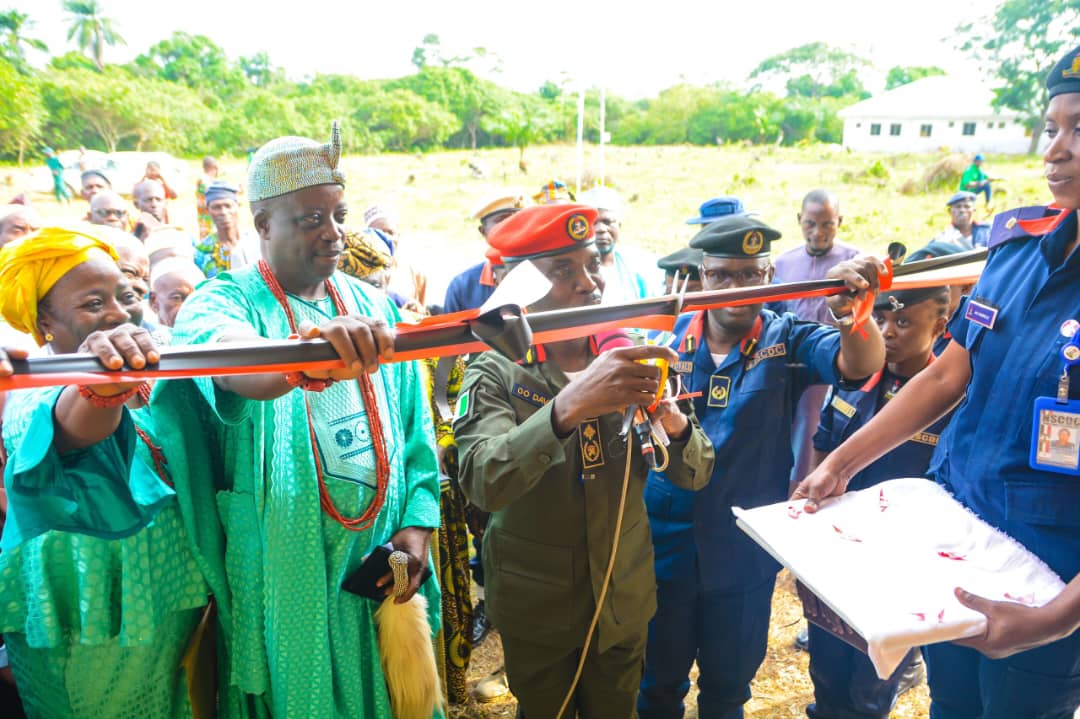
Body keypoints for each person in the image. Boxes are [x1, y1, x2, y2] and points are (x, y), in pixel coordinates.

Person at [794, 45, 1080, 718]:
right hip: (953, 546)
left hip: (1041, 585)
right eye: (1051, 128)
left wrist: (1055, 620)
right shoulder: (1015, 251)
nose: (1055, 151)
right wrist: (840, 460)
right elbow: (951, 371)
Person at [153, 122, 442, 718]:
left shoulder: (370, 304)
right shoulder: (222, 300)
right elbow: (233, 363)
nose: (333, 234)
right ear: (262, 225)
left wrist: (417, 525)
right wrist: (303, 355)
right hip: (288, 568)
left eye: (338, 215)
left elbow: (415, 432)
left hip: (379, 558)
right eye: (311, 219)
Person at [454, 203, 716, 718]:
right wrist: (568, 406)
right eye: (564, 271)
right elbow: (484, 482)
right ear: (520, 285)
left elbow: (697, 471)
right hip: (541, 607)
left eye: (593, 263)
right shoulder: (496, 370)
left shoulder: (631, 355)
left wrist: (673, 423)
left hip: (623, 596)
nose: (589, 283)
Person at [637, 214, 886, 719]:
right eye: (724, 276)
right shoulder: (662, 343)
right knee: (657, 688)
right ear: (703, 277)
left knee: (728, 692)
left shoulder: (788, 337)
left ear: (769, 277)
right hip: (666, 548)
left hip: (742, 555)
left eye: (750, 275)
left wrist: (855, 316)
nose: (736, 288)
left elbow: (859, 364)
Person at [0, 226, 208, 718]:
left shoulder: (157, 359)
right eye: (93, 304)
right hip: (81, 604)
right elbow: (74, 430)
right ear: (44, 321)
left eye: (128, 294)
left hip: (168, 592)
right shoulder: (31, 390)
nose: (118, 312)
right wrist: (103, 387)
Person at [805, 285, 954, 719]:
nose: (888, 332)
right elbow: (820, 449)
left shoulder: (952, 399)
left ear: (941, 327)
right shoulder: (853, 384)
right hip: (837, 558)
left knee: (870, 690)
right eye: (881, 320)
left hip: (901, 567)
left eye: (904, 322)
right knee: (827, 673)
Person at [773, 190, 861, 513]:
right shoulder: (782, 263)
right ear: (799, 221)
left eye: (828, 224)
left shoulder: (853, 263)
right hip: (790, 370)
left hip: (837, 370)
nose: (818, 232)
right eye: (810, 223)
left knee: (822, 436)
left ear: (840, 222)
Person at [442, 191, 525, 314]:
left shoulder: (546, 274)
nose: (511, 226)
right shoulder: (462, 287)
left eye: (518, 219)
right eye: (502, 220)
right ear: (483, 231)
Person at [578, 186, 649, 304]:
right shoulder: (573, 273)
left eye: (607, 222)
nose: (600, 229)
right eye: (593, 223)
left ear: (619, 226)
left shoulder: (638, 267)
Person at [363, 203, 428, 310]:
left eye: (390, 232)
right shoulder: (359, 272)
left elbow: (423, 314)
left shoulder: (416, 274)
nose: (386, 238)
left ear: (398, 235)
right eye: (378, 232)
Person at [192, 181, 260, 279]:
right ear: (208, 211)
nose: (223, 212)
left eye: (228, 206)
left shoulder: (256, 241)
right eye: (216, 207)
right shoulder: (202, 252)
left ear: (237, 206)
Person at [149, 256, 205, 328]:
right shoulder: (140, 336)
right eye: (177, 298)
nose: (190, 307)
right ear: (154, 301)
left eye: (197, 299)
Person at [195, 156, 219, 240]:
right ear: (214, 167)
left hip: (208, 215)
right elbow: (213, 193)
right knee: (207, 239)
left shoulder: (207, 179)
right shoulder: (204, 180)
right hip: (206, 216)